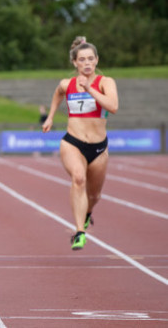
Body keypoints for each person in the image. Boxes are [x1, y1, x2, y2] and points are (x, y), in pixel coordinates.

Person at [42, 36, 118, 250]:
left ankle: (87, 214)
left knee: (94, 195)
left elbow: (113, 106)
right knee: (78, 178)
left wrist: (90, 89)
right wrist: (50, 116)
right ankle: (79, 232)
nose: (87, 63)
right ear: (75, 62)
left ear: (96, 61)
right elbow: (58, 94)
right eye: (82, 59)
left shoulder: (105, 82)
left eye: (90, 59)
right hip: (72, 142)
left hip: (99, 147)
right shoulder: (67, 84)